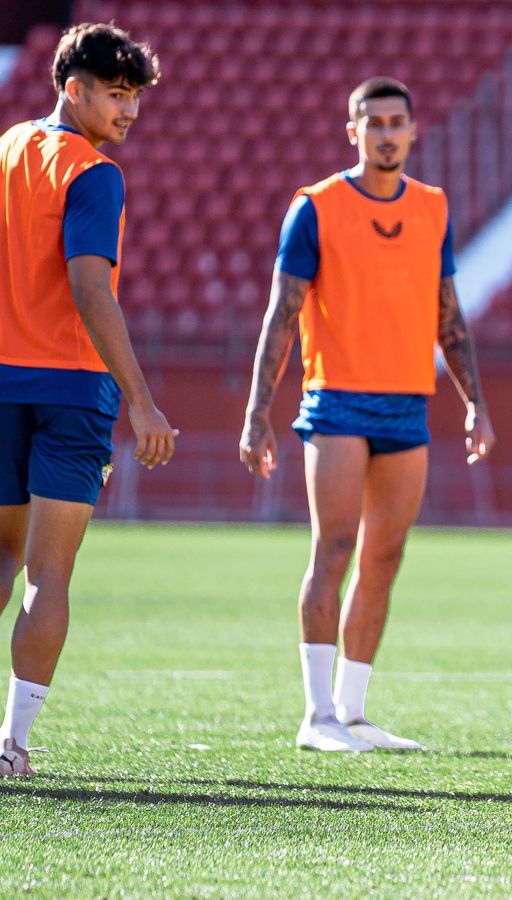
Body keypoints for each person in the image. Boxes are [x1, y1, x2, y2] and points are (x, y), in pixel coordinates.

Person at [239, 77, 494, 753]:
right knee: (335, 547)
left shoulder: (433, 208)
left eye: (396, 122)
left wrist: (475, 405)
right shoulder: (316, 208)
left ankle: (352, 712)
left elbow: (449, 315)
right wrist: (256, 412)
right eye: (372, 122)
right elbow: (282, 313)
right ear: (352, 130)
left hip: (408, 404)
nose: (385, 133)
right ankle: (315, 714)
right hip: (337, 402)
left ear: (413, 131)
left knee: (385, 556)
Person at [0, 23, 177, 778]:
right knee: (48, 574)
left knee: (1, 558)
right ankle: (11, 744)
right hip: (70, 387)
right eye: (115, 94)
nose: (128, 111)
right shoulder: (94, 172)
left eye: (134, 96)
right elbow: (88, 285)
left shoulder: (7, 147)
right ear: (72, 87)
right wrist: (140, 399)